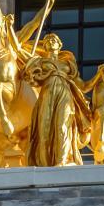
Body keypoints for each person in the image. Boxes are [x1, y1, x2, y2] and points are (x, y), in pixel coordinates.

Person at [25, 33, 92, 166]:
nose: (51, 41)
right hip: (47, 95)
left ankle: (61, 162)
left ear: (59, 44)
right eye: (48, 40)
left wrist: (99, 76)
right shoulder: (39, 62)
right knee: (43, 132)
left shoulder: (67, 64)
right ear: (44, 46)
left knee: (63, 127)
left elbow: (83, 87)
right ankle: (44, 165)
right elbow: (31, 80)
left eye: (54, 39)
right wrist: (31, 74)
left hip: (64, 94)